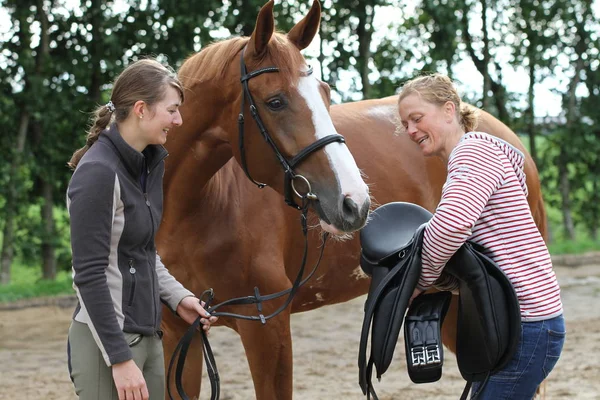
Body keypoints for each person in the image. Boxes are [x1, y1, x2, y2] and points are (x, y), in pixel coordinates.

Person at [397, 73, 565, 400]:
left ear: (449, 110)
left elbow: (451, 226)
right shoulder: (477, 155)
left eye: (417, 118)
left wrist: (420, 280)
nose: (411, 130)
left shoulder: (471, 153)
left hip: (526, 322)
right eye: (405, 124)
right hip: (526, 319)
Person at [66, 58, 217, 400]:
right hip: (109, 344)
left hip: (148, 337)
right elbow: (89, 274)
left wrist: (179, 298)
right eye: (172, 110)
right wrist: (120, 359)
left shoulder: (147, 167)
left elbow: (143, 251)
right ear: (141, 109)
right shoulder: (98, 174)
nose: (178, 120)